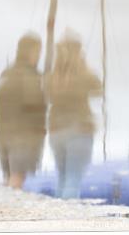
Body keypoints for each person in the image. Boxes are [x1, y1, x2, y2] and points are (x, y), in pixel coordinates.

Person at [47, 31, 102, 199]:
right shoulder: (84, 74)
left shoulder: (52, 76)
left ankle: (57, 217)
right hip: (79, 128)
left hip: (56, 129)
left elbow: (47, 95)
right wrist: (82, 63)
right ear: (78, 51)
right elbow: (98, 90)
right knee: (73, 179)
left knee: (62, 177)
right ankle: (67, 222)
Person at [0, 33, 46, 189]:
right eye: (38, 51)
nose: (38, 56)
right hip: (24, 136)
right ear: (30, 51)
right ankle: (14, 212)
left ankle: (4, 211)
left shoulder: (7, 73)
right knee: (19, 180)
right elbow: (34, 104)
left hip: (2, 133)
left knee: (9, 178)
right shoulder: (31, 76)